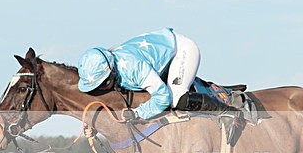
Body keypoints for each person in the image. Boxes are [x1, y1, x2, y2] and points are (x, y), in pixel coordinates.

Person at [76, 27, 238, 123]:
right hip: (163, 54)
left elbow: (163, 97)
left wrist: (137, 113)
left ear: (112, 71)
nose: (102, 89)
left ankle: (228, 112)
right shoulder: (115, 66)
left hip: (181, 50)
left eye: (103, 84)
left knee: (177, 98)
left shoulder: (133, 68)